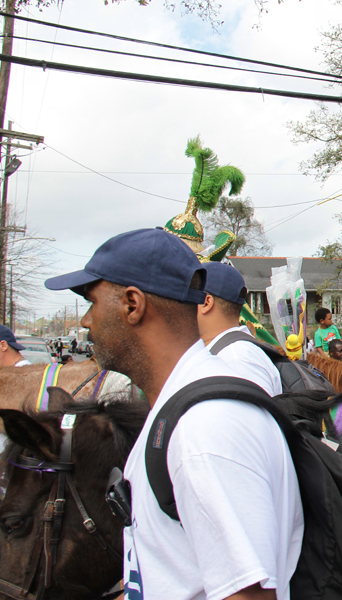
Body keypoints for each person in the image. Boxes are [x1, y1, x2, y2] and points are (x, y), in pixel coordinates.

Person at [45, 228, 303, 600]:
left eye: (92, 302)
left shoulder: (203, 429)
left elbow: (248, 595)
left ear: (132, 305)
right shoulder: (177, 411)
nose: (85, 321)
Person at [197, 262, 283, 396]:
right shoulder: (231, 354)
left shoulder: (236, 360)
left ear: (206, 303)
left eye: (189, 296)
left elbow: (253, 416)